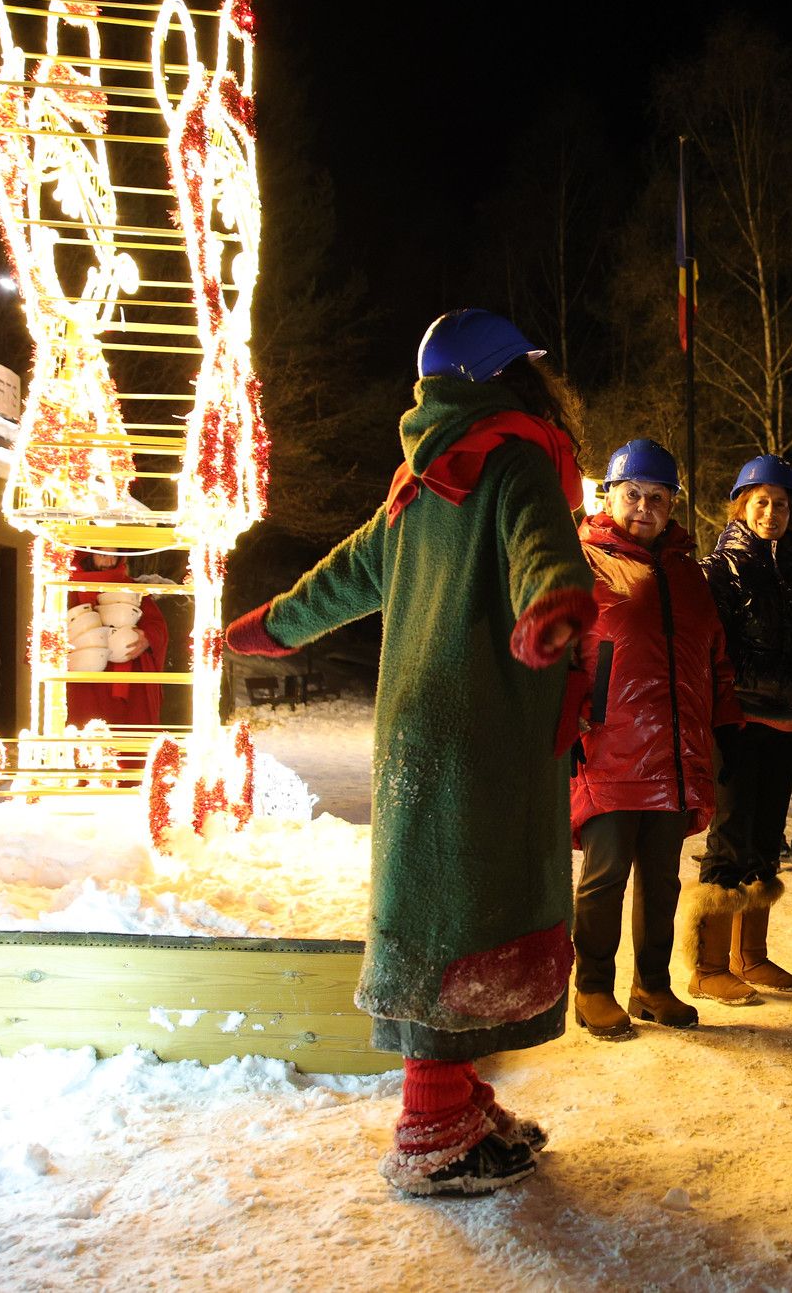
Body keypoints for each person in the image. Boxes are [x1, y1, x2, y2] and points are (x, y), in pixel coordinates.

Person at [224, 310, 594, 1196]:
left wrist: (277, 621)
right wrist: (555, 606)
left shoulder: (420, 481)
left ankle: (459, 1102)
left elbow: (349, 572)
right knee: (471, 909)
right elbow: (543, 549)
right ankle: (430, 1127)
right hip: (489, 726)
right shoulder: (513, 458)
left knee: (441, 900)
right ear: (504, 377)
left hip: (419, 730)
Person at [565, 440, 739, 1041]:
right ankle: (591, 987)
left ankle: (651, 985)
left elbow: (714, 655)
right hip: (609, 747)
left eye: (657, 497)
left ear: (672, 506)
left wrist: (724, 723)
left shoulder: (688, 571)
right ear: (609, 496)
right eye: (632, 493)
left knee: (662, 877)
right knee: (606, 873)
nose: (644, 507)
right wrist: (568, 715)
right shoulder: (582, 561)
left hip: (675, 753)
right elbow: (557, 648)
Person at [690, 453, 792, 1002]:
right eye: (761, 502)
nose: (771, 512)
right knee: (730, 837)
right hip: (737, 719)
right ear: (741, 506)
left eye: (780, 504)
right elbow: (721, 652)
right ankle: (707, 966)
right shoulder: (720, 570)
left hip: (782, 722)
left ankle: (749, 956)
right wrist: (791, 681)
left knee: (767, 838)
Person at [65, 550, 167, 736]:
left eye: (113, 554)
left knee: (131, 736)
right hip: (85, 682)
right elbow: (51, 626)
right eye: (101, 553)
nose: (109, 560)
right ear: (88, 554)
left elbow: (157, 626)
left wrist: (146, 638)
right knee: (86, 734)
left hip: (128, 681)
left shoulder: (130, 587)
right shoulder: (67, 588)